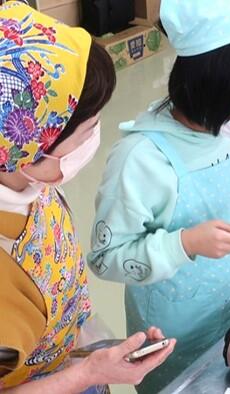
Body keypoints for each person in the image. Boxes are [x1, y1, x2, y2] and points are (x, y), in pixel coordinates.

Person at [88, 1, 230, 392]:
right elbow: (105, 258)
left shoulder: (229, 127)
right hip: (176, 326)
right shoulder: (142, 160)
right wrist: (186, 243)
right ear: (208, 90)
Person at [0, 2, 175, 393]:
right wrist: (88, 374)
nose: (97, 134)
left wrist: (93, 352)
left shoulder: (29, 180)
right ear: (32, 146)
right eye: (89, 127)